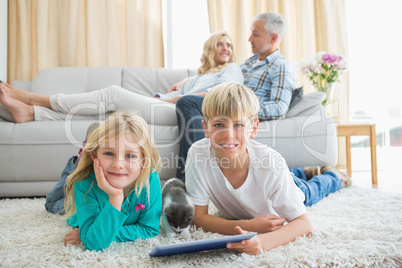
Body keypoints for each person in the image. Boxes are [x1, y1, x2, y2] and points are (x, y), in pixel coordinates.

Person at [185, 82, 351, 255]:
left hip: (284, 190)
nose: (229, 135)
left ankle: (333, 176)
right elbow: (198, 218)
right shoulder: (197, 154)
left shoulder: (271, 164)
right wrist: (248, 226)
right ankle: (301, 172)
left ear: (254, 129)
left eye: (239, 125)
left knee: (310, 191)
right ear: (206, 128)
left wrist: (262, 242)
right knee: (290, 177)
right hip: (270, 183)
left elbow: (303, 224)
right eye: (219, 125)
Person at [0, 31, 243, 124]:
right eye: (220, 44)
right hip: (165, 104)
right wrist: (175, 89)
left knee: (112, 94)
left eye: (229, 45)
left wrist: (171, 99)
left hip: (181, 112)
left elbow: (220, 95)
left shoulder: (231, 70)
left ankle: (31, 97)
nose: (226, 49)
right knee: (109, 112)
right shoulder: (196, 77)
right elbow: (187, 89)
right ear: (210, 47)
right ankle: (31, 113)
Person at [175, 12, 295, 181]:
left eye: (255, 34)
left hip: (237, 112)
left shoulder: (281, 67)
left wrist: (243, 109)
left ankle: (187, 179)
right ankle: (196, 175)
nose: (249, 39)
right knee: (188, 101)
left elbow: (279, 108)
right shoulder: (249, 63)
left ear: (273, 38)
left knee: (187, 102)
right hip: (227, 107)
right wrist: (183, 84)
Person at [63, 110, 162, 251]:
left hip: (106, 174)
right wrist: (115, 197)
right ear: (94, 155)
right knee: (56, 203)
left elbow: (149, 229)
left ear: (145, 160)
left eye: (130, 155)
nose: (118, 164)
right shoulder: (83, 184)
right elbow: (95, 243)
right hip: (84, 188)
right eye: (109, 153)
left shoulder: (150, 179)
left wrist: (93, 234)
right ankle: (74, 162)